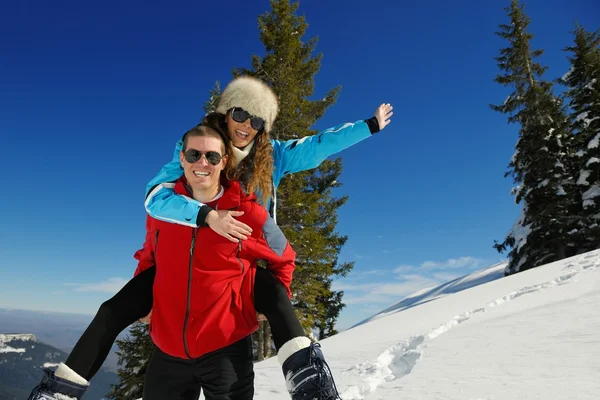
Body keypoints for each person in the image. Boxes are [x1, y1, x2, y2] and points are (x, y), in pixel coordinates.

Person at [28, 76, 393, 400]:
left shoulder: (271, 157)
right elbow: (155, 202)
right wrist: (204, 218)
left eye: (257, 120)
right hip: (189, 247)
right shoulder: (195, 149)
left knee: (274, 293)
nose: (247, 125)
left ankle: (309, 383)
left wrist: (369, 126)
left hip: (245, 250)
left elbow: (319, 146)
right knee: (114, 309)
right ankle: (61, 390)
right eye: (240, 114)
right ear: (224, 114)